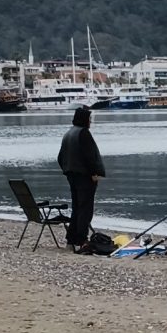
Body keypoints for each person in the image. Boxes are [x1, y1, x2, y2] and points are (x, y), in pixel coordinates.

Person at [57, 107, 105, 249]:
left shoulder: (68, 133)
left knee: (76, 207)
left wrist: (67, 170)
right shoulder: (83, 133)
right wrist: (94, 173)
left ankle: (71, 239)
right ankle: (81, 240)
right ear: (84, 119)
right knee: (85, 209)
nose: (90, 122)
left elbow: (60, 157)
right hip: (85, 176)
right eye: (89, 119)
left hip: (72, 175)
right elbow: (90, 157)